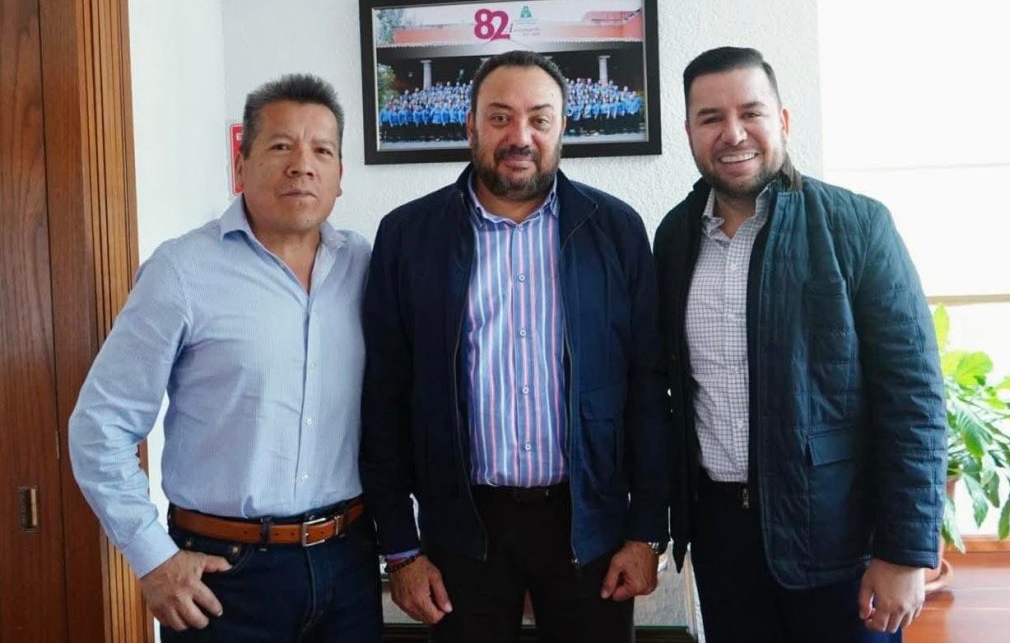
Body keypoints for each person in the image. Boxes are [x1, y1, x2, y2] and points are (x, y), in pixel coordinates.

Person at [360, 49, 671, 642]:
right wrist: (400, 548)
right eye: (500, 117)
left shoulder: (615, 230)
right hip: (460, 527)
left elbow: (648, 389)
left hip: (591, 525)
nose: (520, 137)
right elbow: (384, 398)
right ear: (470, 125)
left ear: (563, 127)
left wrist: (646, 532)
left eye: (539, 118)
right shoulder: (409, 235)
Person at [69, 74, 382, 641]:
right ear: (241, 165)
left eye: (322, 151)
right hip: (224, 574)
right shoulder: (182, 271)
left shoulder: (366, 266)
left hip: (349, 564)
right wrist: (152, 558)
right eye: (281, 146)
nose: (302, 166)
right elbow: (100, 426)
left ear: (340, 176)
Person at [654, 46, 946, 642]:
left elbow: (913, 396)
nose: (733, 133)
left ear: (782, 120)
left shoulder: (857, 226)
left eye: (750, 113)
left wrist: (904, 551)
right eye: (711, 118)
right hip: (721, 539)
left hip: (837, 534)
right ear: (689, 133)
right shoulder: (675, 236)